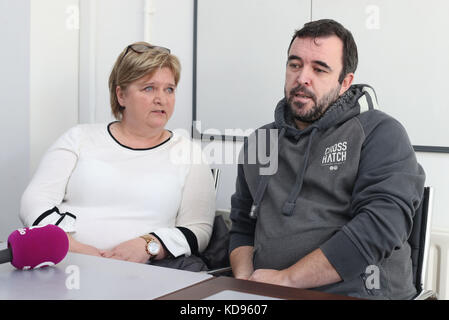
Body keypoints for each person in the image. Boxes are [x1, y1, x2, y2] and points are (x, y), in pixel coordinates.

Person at [229, 19, 425, 299]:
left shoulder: (379, 133)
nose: (302, 78)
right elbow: (242, 226)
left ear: (345, 82)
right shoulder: (260, 142)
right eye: (295, 65)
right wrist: (246, 282)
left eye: (319, 69)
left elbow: (381, 226)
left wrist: (287, 279)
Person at [20, 42, 216, 270]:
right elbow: (33, 202)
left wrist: (148, 245)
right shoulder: (79, 138)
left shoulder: (188, 152)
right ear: (121, 95)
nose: (161, 99)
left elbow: (198, 231)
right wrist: (76, 247)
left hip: (148, 272)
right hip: (68, 264)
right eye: (149, 88)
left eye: (169, 89)